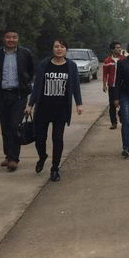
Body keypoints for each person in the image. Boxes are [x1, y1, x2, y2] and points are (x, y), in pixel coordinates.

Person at [26, 39, 83, 182]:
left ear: (66, 50)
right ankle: (42, 156)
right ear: (52, 49)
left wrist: (78, 103)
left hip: (61, 109)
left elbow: (75, 85)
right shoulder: (44, 64)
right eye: (56, 46)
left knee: (57, 139)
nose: (59, 49)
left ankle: (55, 168)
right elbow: (37, 85)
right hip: (43, 107)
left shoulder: (71, 66)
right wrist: (30, 104)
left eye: (62, 47)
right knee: (39, 138)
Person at [0, 29, 35, 172]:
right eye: (8, 37)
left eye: (14, 37)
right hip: (2, 95)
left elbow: (31, 71)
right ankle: (8, 155)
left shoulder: (25, 53)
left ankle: (14, 159)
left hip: (18, 96)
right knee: (5, 127)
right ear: (4, 39)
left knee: (15, 127)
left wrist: (26, 85)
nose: (11, 40)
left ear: (18, 39)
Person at [102, 41, 124, 129]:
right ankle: (113, 122)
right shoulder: (108, 61)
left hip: (122, 86)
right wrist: (104, 85)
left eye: (120, 47)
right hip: (112, 86)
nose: (119, 49)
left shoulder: (124, 59)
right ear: (112, 49)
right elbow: (105, 74)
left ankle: (121, 114)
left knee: (123, 103)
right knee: (112, 105)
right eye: (117, 47)